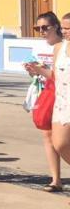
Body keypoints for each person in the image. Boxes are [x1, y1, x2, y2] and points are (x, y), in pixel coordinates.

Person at [26, 11, 70, 198]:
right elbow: (55, 75)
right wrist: (38, 71)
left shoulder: (60, 45)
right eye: (65, 28)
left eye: (45, 27)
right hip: (60, 99)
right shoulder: (59, 48)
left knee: (60, 142)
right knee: (57, 142)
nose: (66, 31)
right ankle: (56, 179)